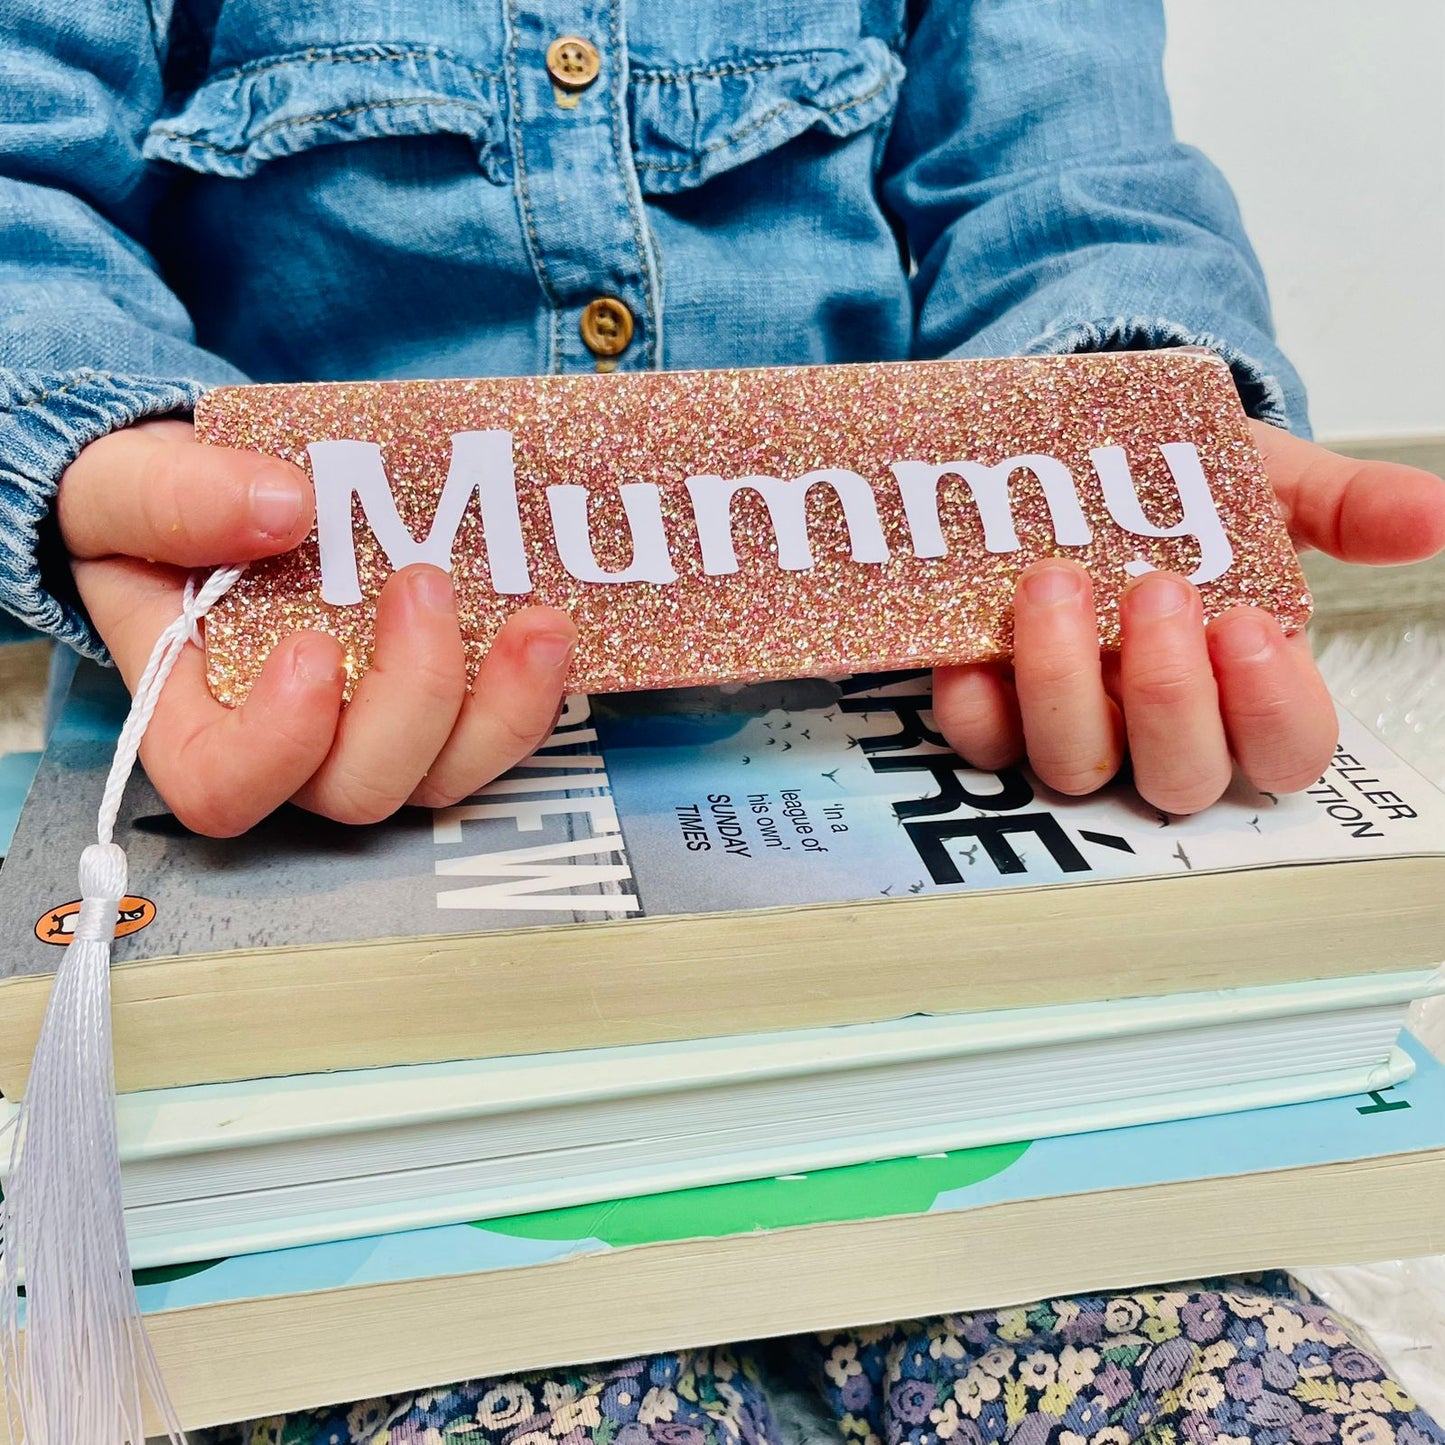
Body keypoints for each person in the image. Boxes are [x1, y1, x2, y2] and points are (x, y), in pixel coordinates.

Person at [1, 1, 1442, 1442]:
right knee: (467, 1358)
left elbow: (1065, 174)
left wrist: (1119, 437)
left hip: (906, 837)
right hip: (346, 847)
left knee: (1189, 1359)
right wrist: (98, 447)